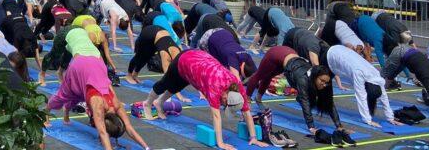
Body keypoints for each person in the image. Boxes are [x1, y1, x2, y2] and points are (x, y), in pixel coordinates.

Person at [140, 50, 269, 150]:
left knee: (177, 85)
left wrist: (254, 138)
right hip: (186, 59)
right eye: (225, 105)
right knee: (165, 83)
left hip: (198, 63)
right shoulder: (216, 86)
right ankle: (148, 103)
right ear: (225, 97)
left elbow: (246, 112)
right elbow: (216, 116)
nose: (223, 106)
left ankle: (159, 103)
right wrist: (220, 143)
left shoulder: (238, 86)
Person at [46, 54, 150, 150]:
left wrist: (147, 148)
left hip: (97, 65)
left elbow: (129, 128)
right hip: (79, 66)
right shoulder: (97, 105)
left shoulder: (117, 105)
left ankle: (66, 112)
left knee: (78, 96)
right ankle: (46, 113)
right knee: (64, 94)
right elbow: (102, 132)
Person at [243, 46, 347, 140]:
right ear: (315, 77)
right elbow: (305, 103)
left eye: (326, 82)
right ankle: (249, 99)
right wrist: (311, 127)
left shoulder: (319, 80)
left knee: (270, 76)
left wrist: (339, 126)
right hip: (276, 53)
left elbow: (329, 102)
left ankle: (258, 98)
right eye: (322, 81)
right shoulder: (303, 80)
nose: (324, 84)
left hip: (290, 57)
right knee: (260, 75)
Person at [326, 44, 401, 129]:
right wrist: (368, 120)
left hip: (343, 52)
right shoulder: (359, 73)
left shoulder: (378, 78)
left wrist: (390, 118)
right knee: (322, 80)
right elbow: (361, 96)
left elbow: (384, 97)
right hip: (332, 55)